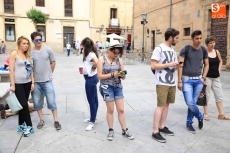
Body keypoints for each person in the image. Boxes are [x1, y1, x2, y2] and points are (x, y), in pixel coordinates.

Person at [97, 40, 134, 141]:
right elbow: (99, 76)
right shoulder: (101, 59)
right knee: (110, 110)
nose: (116, 55)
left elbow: (123, 77)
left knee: (121, 109)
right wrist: (113, 74)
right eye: (114, 52)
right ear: (109, 50)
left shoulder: (119, 60)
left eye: (118, 53)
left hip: (117, 86)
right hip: (106, 86)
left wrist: (122, 75)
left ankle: (124, 130)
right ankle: (111, 130)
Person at [151, 28, 180, 143]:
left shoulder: (172, 50)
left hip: (171, 81)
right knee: (160, 105)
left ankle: (162, 126)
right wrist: (169, 64)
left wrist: (176, 66)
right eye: (176, 38)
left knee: (167, 104)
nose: (178, 40)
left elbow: (171, 65)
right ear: (171, 38)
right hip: (162, 82)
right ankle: (155, 131)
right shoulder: (159, 49)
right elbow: (153, 65)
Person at [178, 30, 209, 134]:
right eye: (197, 38)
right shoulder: (186, 49)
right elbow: (180, 65)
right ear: (192, 38)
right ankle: (200, 116)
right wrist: (179, 81)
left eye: (200, 38)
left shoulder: (204, 50)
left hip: (198, 80)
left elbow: (207, 64)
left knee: (193, 103)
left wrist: (203, 77)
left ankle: (189, 123)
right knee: (189, 102)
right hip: (186, 80)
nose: (199, 40)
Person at [30, 32, 61, 130]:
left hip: (47, 81)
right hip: (36, 82)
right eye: (37, 40)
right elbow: (30, 67)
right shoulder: (31, 53)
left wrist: (50, 73)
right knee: (37, 102)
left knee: (51, 101)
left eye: (40, 39)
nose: (39, 42)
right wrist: (32, 81)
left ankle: (56, 121)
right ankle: (41, 120)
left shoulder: (48, 49)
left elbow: (53, 62)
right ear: (33, 41)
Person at [9, 36, 35, 137]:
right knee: (24, 105)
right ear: (19, 44)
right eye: (24, 43)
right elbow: (11, 70)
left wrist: (32, 82)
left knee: (21, 105)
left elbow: (31, 70)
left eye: (27, 44)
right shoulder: (14, 53)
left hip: (27, 82)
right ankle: (30, 126)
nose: (26, 45)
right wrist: (13, 84)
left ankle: (21, 125)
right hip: (18, 83)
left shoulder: (27, 55)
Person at [203, 36, 230, 120]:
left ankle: (221, 114)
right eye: (210, 43)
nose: (212, 44)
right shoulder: (204, 53)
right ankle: (206, 114)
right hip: (207, 77)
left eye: (213, 42)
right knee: (206, 96)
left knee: (219, 95)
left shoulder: (217, 52)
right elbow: (201, 65)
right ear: (207, 44)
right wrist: (202, 77)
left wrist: (219, 70)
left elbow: (221, 60)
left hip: (216, 77)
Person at [80, 37, 99, 131]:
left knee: (91, 100)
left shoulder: (90, 54)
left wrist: (94, 68)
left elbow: (97, 62)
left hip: (91, 79)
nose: (81, 47)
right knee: (94, 99)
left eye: (82, 45)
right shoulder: (90, 53)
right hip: (91, 78)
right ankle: (93, 117)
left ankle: (92, 122)